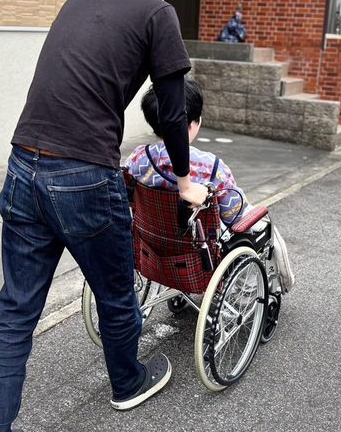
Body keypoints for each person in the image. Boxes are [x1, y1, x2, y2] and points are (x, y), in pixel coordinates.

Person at [0, 0, 208, 432]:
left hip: (23, 163)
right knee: (116, 291)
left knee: (15, 310)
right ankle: (128, 382)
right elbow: (173, 113)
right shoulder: (157, 14)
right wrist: (184, 180)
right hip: (82, 175)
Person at [125, 78, 294, 293]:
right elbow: (234, 214)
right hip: (198, 256)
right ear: (194, 123)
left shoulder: (137, 158)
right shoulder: (209, 166)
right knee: (264, 225)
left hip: (153, 244)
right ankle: (277, 284)